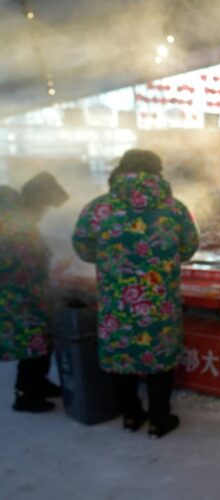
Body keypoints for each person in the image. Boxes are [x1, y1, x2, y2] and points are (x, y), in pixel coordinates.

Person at [72, 149, 199, 437]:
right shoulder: (174, 209)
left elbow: (82, 247)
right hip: (160, 299)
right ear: (158, 172)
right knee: (160, 355)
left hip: (116, 299)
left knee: (121, 353)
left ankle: (130, 415)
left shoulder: (98, 209)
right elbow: (189, 247)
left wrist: (109, 260)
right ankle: (159, 418)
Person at [1, 172, 69, 412]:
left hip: (26, 290)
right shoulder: (14, 223)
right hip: (16, 294)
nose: (46, 212)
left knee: (38, 339)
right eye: (46, 206)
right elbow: (25, 261)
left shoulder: (18, 217)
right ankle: (25, 394)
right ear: (37, 200)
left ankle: (38, 383)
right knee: (30, 341)